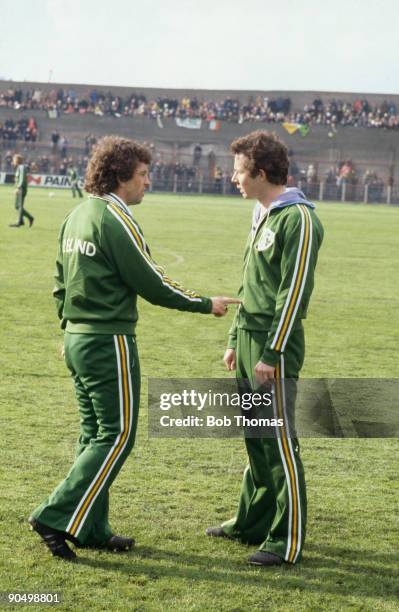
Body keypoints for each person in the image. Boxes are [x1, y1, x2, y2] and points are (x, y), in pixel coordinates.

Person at [29, 136, 239, 561]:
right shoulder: (113, 218)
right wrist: (205, 303)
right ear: (121, 176)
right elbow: (151, 282)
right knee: (118, 434)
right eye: (143, 174)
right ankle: (54, 515)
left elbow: (59, 282)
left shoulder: (76, 215)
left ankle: (89, 527)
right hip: (109, 341)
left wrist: (68, 328)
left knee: (94, 434)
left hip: (78, 338)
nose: (148, 181)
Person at [206, 130, 324, 567]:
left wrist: (271, 352)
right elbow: (249, 282)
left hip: (277, 344)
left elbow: (292, 295)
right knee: (255, 439)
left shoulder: (299, 219)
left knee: (278, 442)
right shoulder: (262, 213)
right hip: (251, 338)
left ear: (259, 172)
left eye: (238, 170)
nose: (232, 177)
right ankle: (251, 522)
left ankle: (286, 538)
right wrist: (236, 338)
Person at [9, 154, 34, 228]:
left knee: (19, 206)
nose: (13, 161)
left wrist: (19, 187)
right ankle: (24, 220)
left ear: (17, 160)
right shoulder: (21, 167)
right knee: (17, 206)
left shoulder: (21, 167)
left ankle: (21, 221)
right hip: (20, 188)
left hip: (21, 189)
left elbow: (22, 178)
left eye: (14, 159)